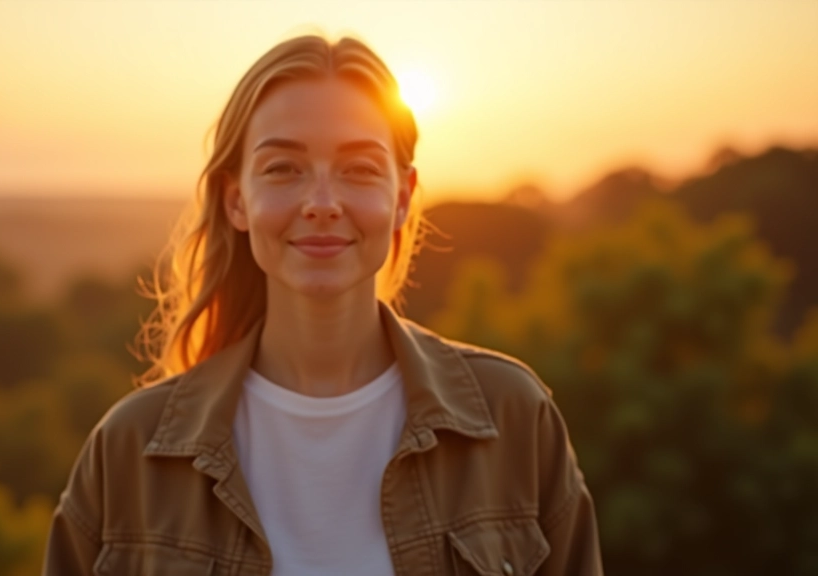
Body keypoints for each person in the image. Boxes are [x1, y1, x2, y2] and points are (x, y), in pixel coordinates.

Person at [43, 34, 602, 576]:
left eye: (359, 169)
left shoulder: (512, 418)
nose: (322, 203)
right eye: (283, 168)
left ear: (402, 198)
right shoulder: (128, 451)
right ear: (237, 200)